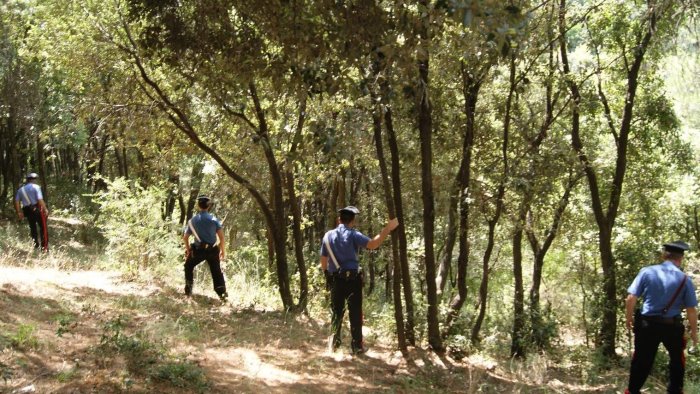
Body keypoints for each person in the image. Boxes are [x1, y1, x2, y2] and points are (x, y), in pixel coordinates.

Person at [320, 206, 399, 354]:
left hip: (336, 279)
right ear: (353, 221)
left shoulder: (327, 236)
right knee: (355, 313)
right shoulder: (353, 235)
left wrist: (327, 275)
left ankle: (334, 343)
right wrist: (388, 228)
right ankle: (357, 347)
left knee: (336, 312)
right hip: (353, 280)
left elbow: (323, 260)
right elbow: (373, 244)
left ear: (339, 220)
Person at [625, 241, 698, 394]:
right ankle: (675, 390)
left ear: (664, 255)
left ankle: (632, 391)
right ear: (681, 259)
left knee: (641, 361)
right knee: (677, 361)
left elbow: (631, 298)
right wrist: (694, 333)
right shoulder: (685, 280)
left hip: (647, 326)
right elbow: (691, 310)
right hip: (672, 327)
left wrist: (629, 318)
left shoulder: (647, 272)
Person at [183, 195, 228, 302]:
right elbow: (221, 237)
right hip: (212, 250)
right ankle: (222, 295)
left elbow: (185, 237)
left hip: (198, 250)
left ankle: (188, 291)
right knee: (216, 272)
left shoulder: (192, 221)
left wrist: (189, 249)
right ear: (208, 206)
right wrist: (223, 251)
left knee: (188, 266)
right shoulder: (214, 220)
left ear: (199, 206)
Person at [14, 173, 49, 251]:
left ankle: (35, 245)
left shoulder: (21, 189)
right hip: (37, 209)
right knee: (43, 227)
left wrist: (19, 212)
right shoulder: (36, 187)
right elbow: (40, 200)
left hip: (27, 210)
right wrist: (45, 209)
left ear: (27, 180)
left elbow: (16, 202)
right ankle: (44, 247)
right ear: (34, 180)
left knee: (32, 227)